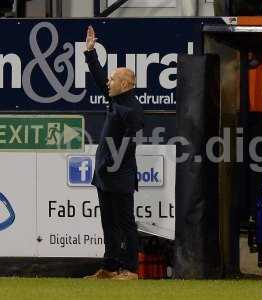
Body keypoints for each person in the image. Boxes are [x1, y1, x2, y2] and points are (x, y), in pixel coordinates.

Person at [83, 26, 144, 280]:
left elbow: (132, 142)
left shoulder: (133, 109)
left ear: (125, 84)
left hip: (119, 176)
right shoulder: (115, 101)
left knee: (126, 223)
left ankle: (130, 269)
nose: (108, 82)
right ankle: (109, 267)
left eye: (112, 79)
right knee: (108, 223)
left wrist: (112, 164)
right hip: (105, 175)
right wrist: (90, 53)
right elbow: (99, 79)